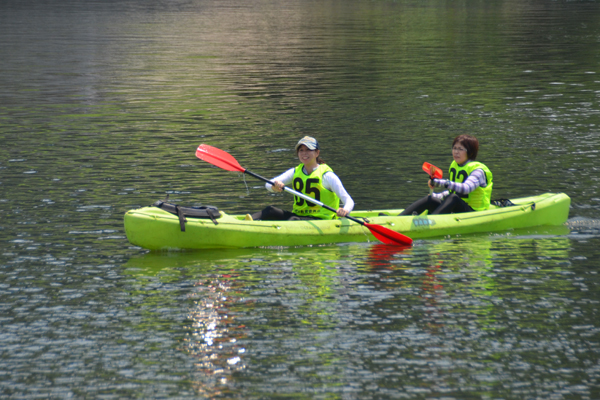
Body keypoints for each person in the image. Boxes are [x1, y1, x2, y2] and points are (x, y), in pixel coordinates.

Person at [246, 136, 354, 221]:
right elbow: (267, 184)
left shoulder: (327, 176)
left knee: (293, 219)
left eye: (308, 150)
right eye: (301, 150)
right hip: (298, 216)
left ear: (317, 153)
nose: (304, 153)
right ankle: (242, 224)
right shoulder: (295, 171)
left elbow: (349, 201)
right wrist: (275, 187)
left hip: (321, 219)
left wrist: (345, 210)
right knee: (270, 210)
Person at [399, 134, 493, 216]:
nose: (456, 152)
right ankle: (399, 219)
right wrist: (437, 196)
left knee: (453, 198)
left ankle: (431, 223)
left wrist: (442, 183)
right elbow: (452, 191)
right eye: (454, 148)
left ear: (470, 152)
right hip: (457, 208)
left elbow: (466, 188)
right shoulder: (455, 165)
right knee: (430, 199)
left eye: (460, 149)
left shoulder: (478, 170)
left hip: (474, 212)